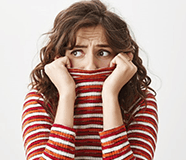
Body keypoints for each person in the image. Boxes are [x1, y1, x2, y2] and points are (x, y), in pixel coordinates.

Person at [22, 0, 158, 159]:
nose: (90, 66)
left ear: (124, 58)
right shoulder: (40, 100)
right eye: (77, 53)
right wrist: (66, 95)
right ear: (59, 59)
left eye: (103, 53)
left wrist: (109, 95)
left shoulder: (140, 101)